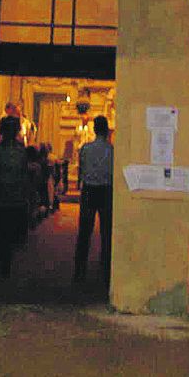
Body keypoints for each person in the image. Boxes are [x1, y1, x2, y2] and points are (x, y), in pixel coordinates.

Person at [73, 114, 113, 287]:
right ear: (107, 130)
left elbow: (81, 169)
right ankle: (105, 267)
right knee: (106, 231)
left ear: (95, 130)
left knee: (84, 231)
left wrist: (79, 183)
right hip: (105, 190)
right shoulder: (111, 150)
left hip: (89, 190)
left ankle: (79, 269)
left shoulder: (86, 148)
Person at [0, 115, 29, 275]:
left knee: (2, 230)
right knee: (6, 231)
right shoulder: (17, 151)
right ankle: (4, 261)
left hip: (3, 195)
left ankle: (1, 260)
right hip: (11, 196)